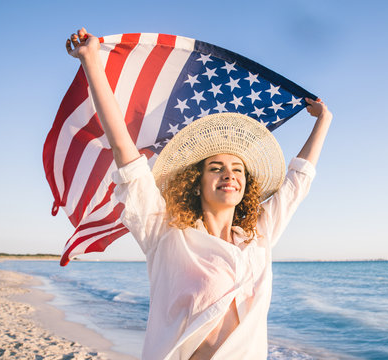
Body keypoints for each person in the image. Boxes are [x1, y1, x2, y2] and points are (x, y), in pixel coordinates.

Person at [66, 27, 332, 360]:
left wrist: (323, 121)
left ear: (246, 184)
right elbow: (125, 151)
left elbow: (297, 184)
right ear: (198, 179)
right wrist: (91, 61)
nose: (229, 174)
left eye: (237, 169)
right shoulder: (166, 234)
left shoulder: (257, 239)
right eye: (216, 167)